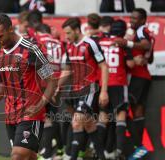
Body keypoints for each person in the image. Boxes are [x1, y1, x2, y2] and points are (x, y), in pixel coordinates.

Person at [0, 14, 57, 160]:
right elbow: (2, 84)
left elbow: (52, 81)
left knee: (17, 156)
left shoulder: (31, 49)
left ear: (11, 29)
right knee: (30, 157)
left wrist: (39, 106)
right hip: (10, 115)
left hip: (31, 114)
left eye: (0, 36)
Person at [59, 17, 109, 160]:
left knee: (77, 122)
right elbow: (67, 70)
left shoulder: (90, 43)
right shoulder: (69, 46)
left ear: (76, 30)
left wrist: (104, 91)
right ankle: (101, 156)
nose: (66, 36)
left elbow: (104, 66)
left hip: (90, 89)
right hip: (75, 90)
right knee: (89, 125)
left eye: (68, 33)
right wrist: (57, 85)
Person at [114, 8, 154, 159]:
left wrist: (127, 43)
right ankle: (139, 148)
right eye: (131, 18)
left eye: (135, 18)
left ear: (143, 20)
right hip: (144, 75)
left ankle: (138, 146)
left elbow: (146, 46)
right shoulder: (146, 31)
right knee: (137, 112)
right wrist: (142, 59)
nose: (132, 21)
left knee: (121, 109)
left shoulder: (141, 31)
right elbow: (149, 58)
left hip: (137, 77)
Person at [98, 19, 135, 160]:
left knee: (103, 117)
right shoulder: (123, 43)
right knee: (121, 116)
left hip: (103, 83)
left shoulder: (101, 42)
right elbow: (130, 64)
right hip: (119, 83)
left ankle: (98, 151)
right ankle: (119, 151)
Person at [35, 23, 65, 160]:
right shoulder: (59, 43)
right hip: (59, 85)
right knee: (53, 118)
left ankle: (46, 153)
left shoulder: (38, 41)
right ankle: (58, 150)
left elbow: (42, 63)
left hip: (44, 85)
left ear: (38, 32)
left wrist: (49, 85)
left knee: (45, 118)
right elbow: (66, 65)